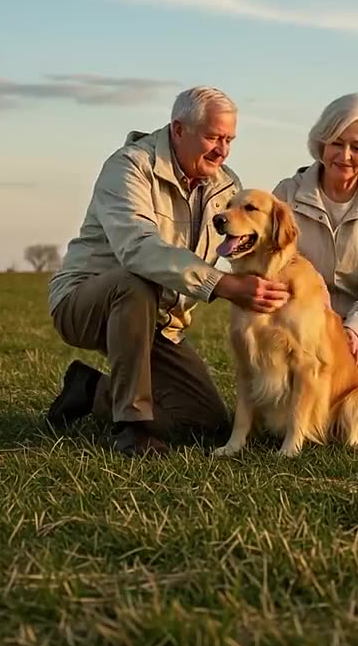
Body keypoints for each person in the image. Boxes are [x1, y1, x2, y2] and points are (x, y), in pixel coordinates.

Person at [47, 86, 290, 456]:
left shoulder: (226, 185)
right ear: (178, 129)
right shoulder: (129, 167)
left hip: (160, 320)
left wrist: (297, 280)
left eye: (229, 139)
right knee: (136, 282)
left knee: (206, 423)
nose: (222, 149)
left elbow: (248, 247)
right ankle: (133, 428)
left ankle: (90, 389)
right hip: (87, 301)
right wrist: (221, 284)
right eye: (212, 136)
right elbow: (137, 249)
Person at [273, 92, 358, 392]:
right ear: (322, 144)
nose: (344, 156)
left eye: (357, 147)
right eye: (336, 143)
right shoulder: (287, 193)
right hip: (298, 315)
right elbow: (270, 255)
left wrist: (354, 331)